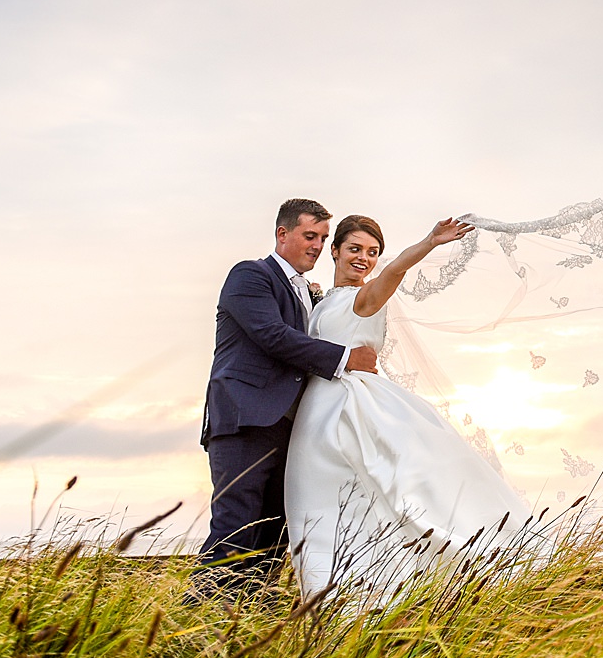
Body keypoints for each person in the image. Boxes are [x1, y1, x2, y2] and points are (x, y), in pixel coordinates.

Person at [283, 213, 534, 605]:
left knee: (363, 501)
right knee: (326, 508)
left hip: (349, 410)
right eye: (354, 249)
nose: (364, 259)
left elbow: (392, 275)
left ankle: (363, 599)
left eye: (372, 252)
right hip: (316, 415)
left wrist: (429, 243)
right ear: (334, 251)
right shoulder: (320, 299)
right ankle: (335, 601)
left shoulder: (365, 298)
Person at [187, 198, 379, 600]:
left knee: (273, 539)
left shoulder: (311, 295)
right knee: (235, 527)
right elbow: (273, 336)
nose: (316, 245)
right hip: (246, 421)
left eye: (323, 238)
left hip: (291, 431)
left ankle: (248, 621)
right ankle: (196, 620)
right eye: (310, 235)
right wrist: (345, 358)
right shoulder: (250, 276)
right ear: (283, 234)